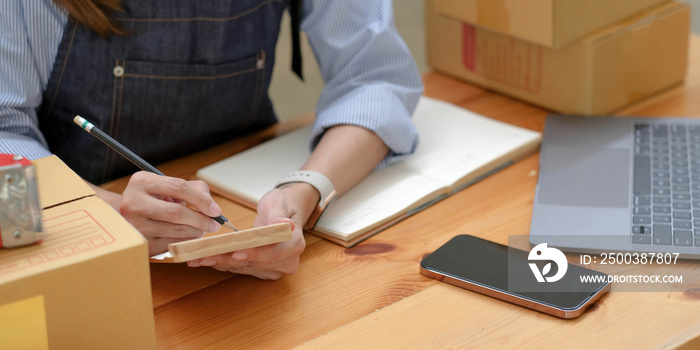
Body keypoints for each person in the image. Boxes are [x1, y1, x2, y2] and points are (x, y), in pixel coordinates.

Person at [0, 0, 422, 279]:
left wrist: (304, 191)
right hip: (81, 249)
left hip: (243, 194)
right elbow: (5, 132)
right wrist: (110, 212)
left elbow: (375, 79)